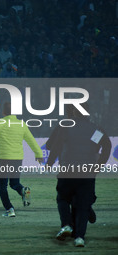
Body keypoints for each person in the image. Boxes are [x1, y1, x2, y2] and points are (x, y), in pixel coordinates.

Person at [46, 103, 111, 247]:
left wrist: (49, 163)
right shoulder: (96, 129)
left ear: (74, 112)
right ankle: (79, 237)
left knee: (63, 198)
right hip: (87, 171)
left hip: (67, 170)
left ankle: (67, 225)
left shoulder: (65, 126)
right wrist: (99, 165)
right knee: (82, 205)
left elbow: (55, 146)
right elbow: (107, 146)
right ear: (88, 112)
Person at [0, 102, 43, 217]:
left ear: (4, 112)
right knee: (14, 183)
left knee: (2, 186)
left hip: (5, 159)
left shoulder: (2, 122)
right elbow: (31, 140)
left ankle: (9, 209)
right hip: (17, 159)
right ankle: (23, 191)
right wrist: (38, 154)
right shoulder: (21, 124)